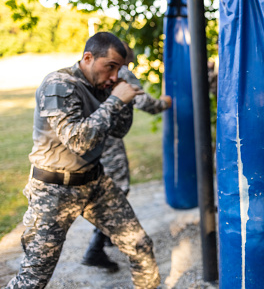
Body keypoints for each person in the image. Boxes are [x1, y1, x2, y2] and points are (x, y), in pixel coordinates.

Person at [6, 32, 161, 289]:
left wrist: (124, 101)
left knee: (140, 246)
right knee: (34, 278)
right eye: (110, 67)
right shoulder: (59, 84)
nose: (114, 76)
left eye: (119, 70)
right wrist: (114, 101)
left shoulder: (103, 86)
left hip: (94, 182)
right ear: (88, 58)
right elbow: (79, 141)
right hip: (54, 190)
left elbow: (119, 130)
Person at [81, 41, 172, 270]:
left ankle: (108, 237)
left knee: (104, 188)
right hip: (107, 140)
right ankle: (95, 248)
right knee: (117, 190)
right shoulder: (121, 72)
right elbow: (141, 101)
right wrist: (163, 104)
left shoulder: (94, 71)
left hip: (91, 139)